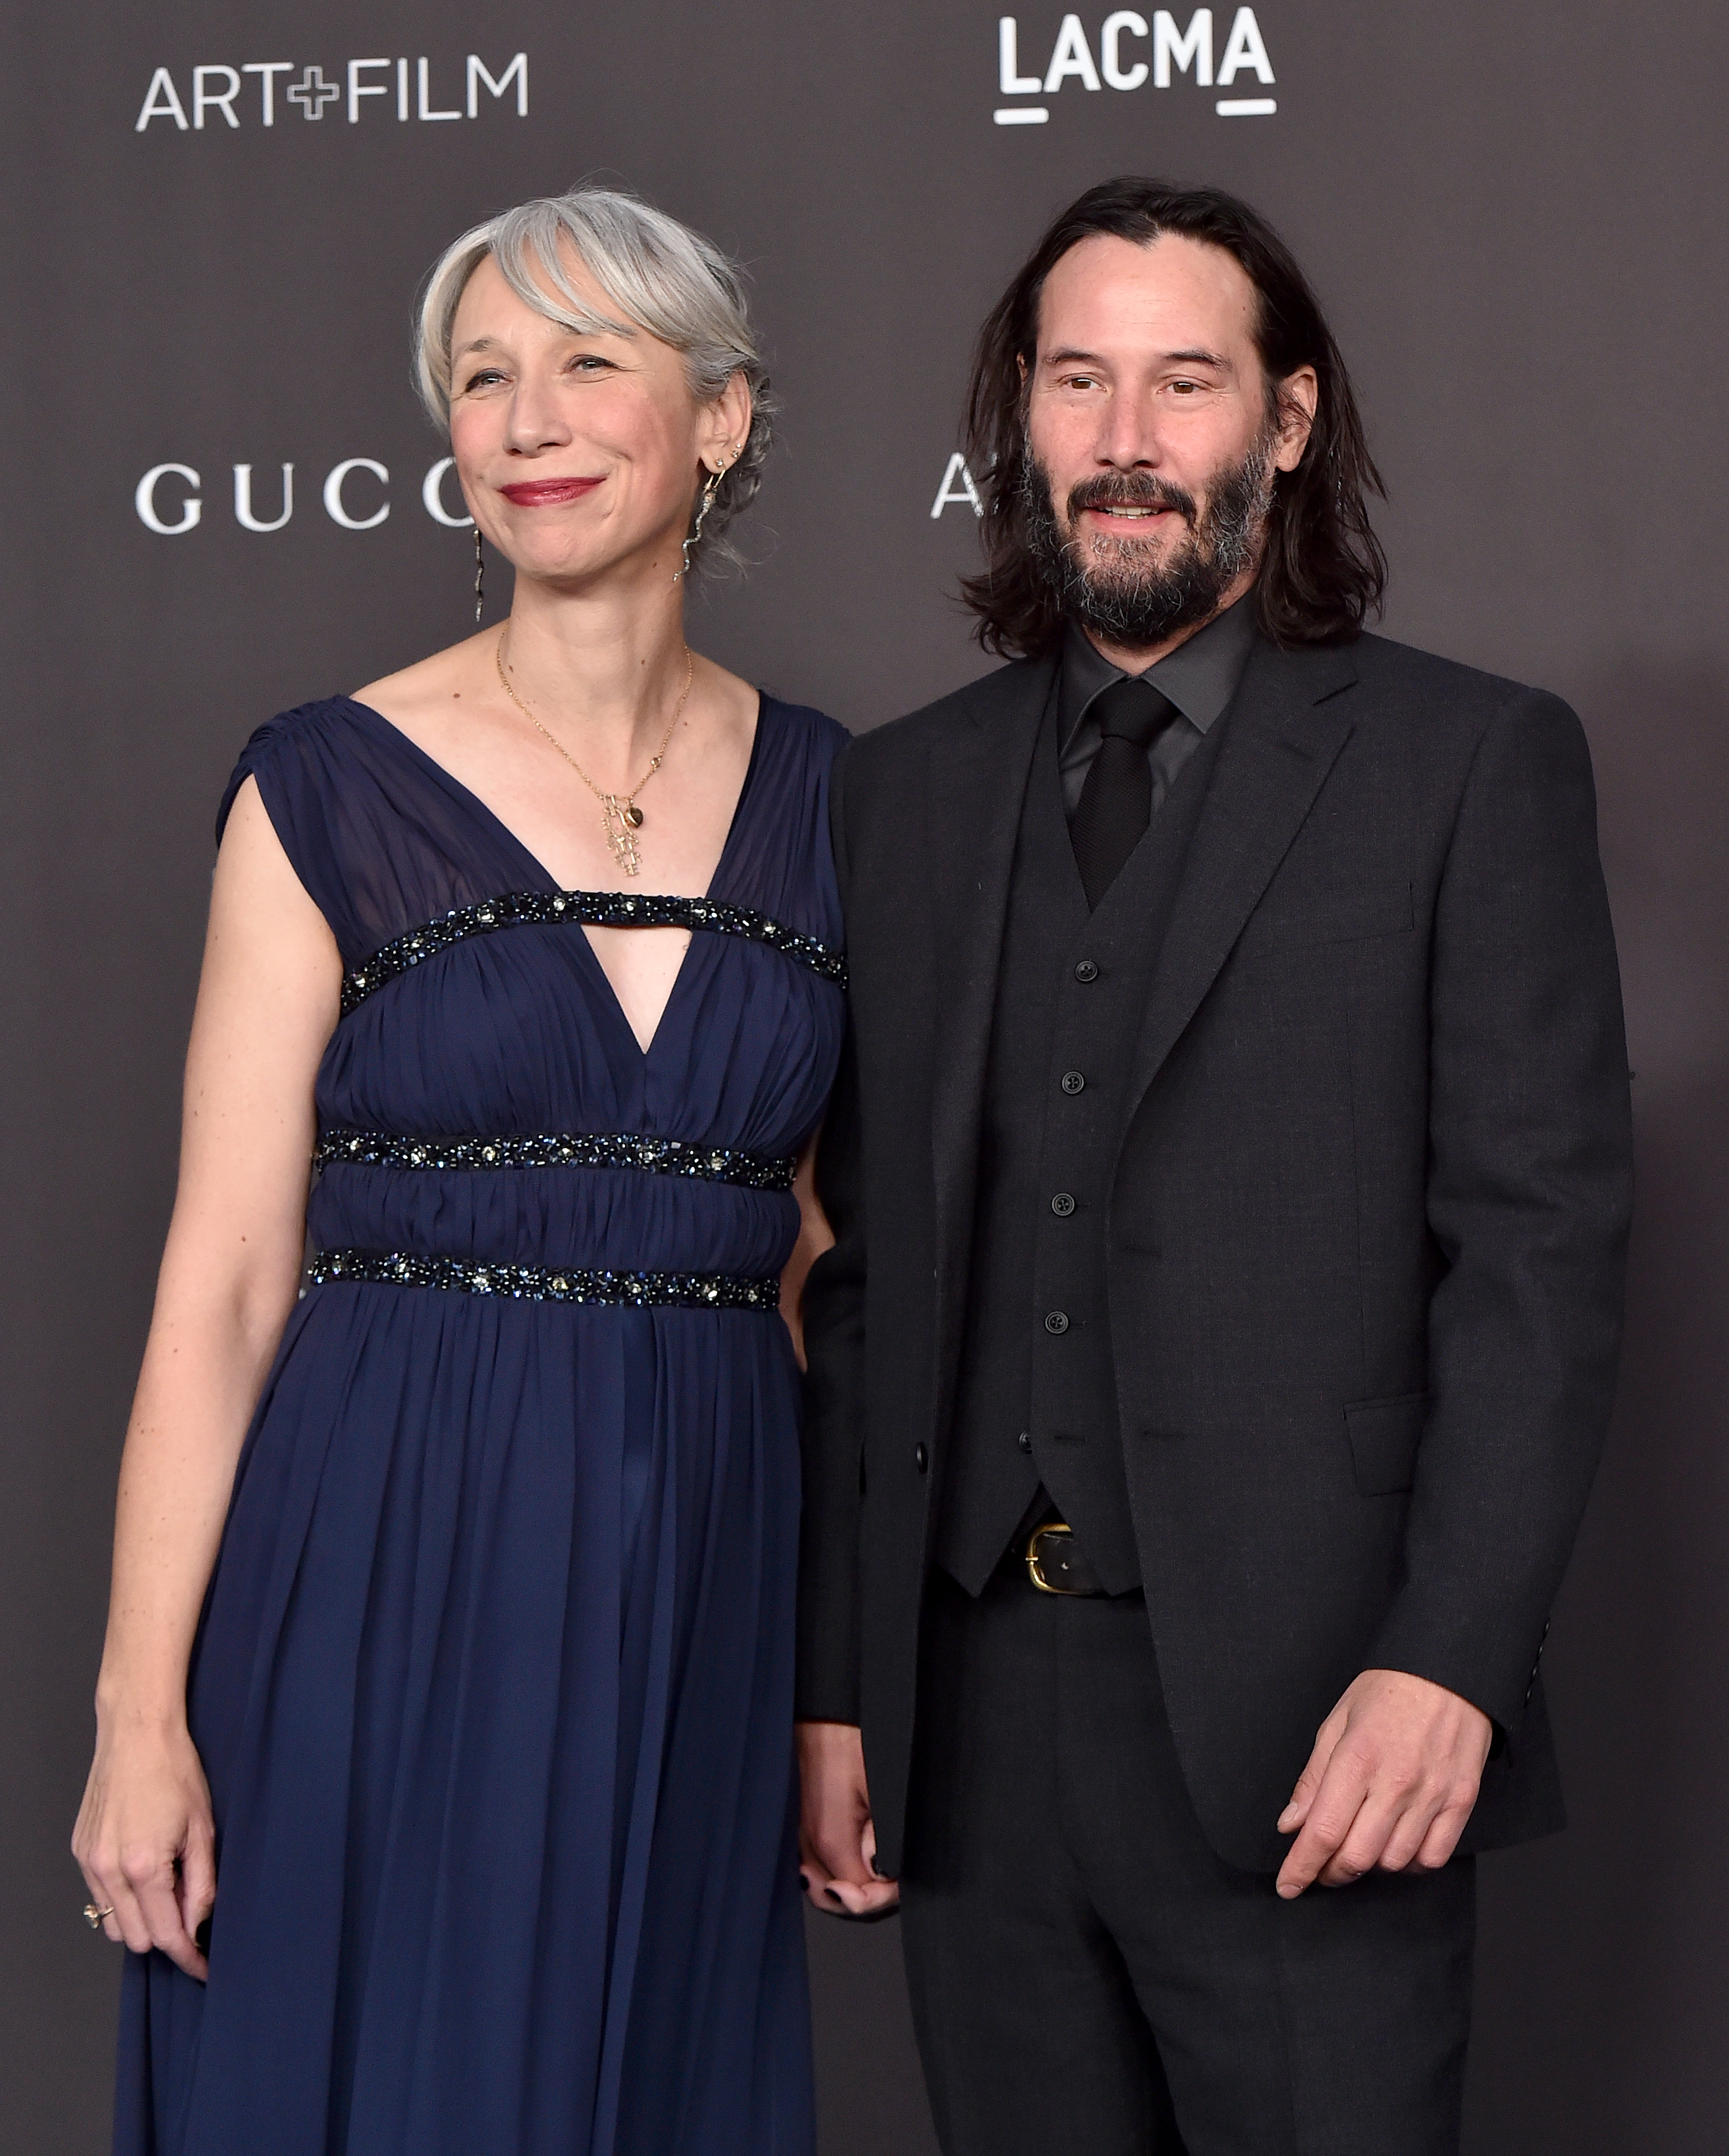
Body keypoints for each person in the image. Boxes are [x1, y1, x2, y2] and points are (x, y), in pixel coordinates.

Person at [796, 177, 1632, 2154]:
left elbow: (1541, 1256)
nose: (1126, 439)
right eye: (1078, 381)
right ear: (1020, 416)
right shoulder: (898, 791)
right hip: (973, 1732)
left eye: (1186, 384)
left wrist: (1453, 1662)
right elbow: (863, 1285)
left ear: (1287, 420)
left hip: (1322, 1719)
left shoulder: (1470, 764)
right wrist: (844, 1684)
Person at [73, 185, 844, 2156]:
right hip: (386, 1547)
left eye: (591, 361)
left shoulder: (849, 799)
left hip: (706, 1574)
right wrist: (135, 1717)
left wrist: (842, 1691)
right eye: (483, 375)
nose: (527, 418)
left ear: (724, 419)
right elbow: (228, 1280)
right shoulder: (326, 782)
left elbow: (831, 1273)